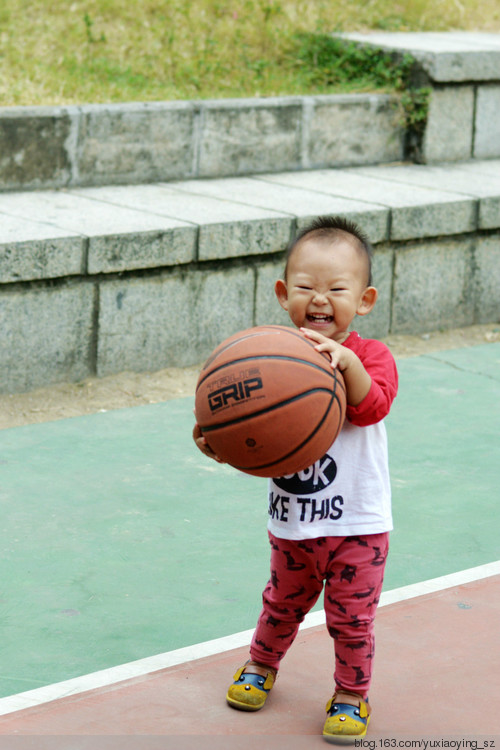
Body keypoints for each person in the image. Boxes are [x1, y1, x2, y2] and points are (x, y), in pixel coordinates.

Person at [193, 216, 398, 742]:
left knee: (351, 621)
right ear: (284, 294)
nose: (320, 299)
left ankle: (352, 695)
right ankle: (261, 665)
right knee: (280, 605)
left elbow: (372, 408)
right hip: (293, 523)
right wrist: (221, 442)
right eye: (305, 287)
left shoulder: (371, 357)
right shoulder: (271, 357)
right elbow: (257, 442)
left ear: (365, 300)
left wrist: (346, 363)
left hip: (359, 525)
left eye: (336, 289)